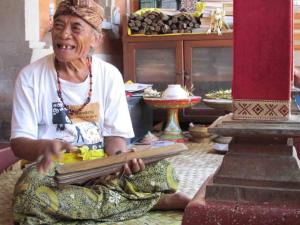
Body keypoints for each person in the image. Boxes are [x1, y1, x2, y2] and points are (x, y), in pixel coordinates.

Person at [10, 0, 190, 224]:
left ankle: (79, 205)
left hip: (100, 166)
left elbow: (115, 137)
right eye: (58, 26)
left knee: (164, 172)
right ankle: (149, 202)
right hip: (52, 171)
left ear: (96, 38)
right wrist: (43, 146)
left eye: (76, 28)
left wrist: (121, 160)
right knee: (28, 197)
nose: (64, 34)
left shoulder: (109, 75)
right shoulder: (30, 77)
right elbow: (18, 143)